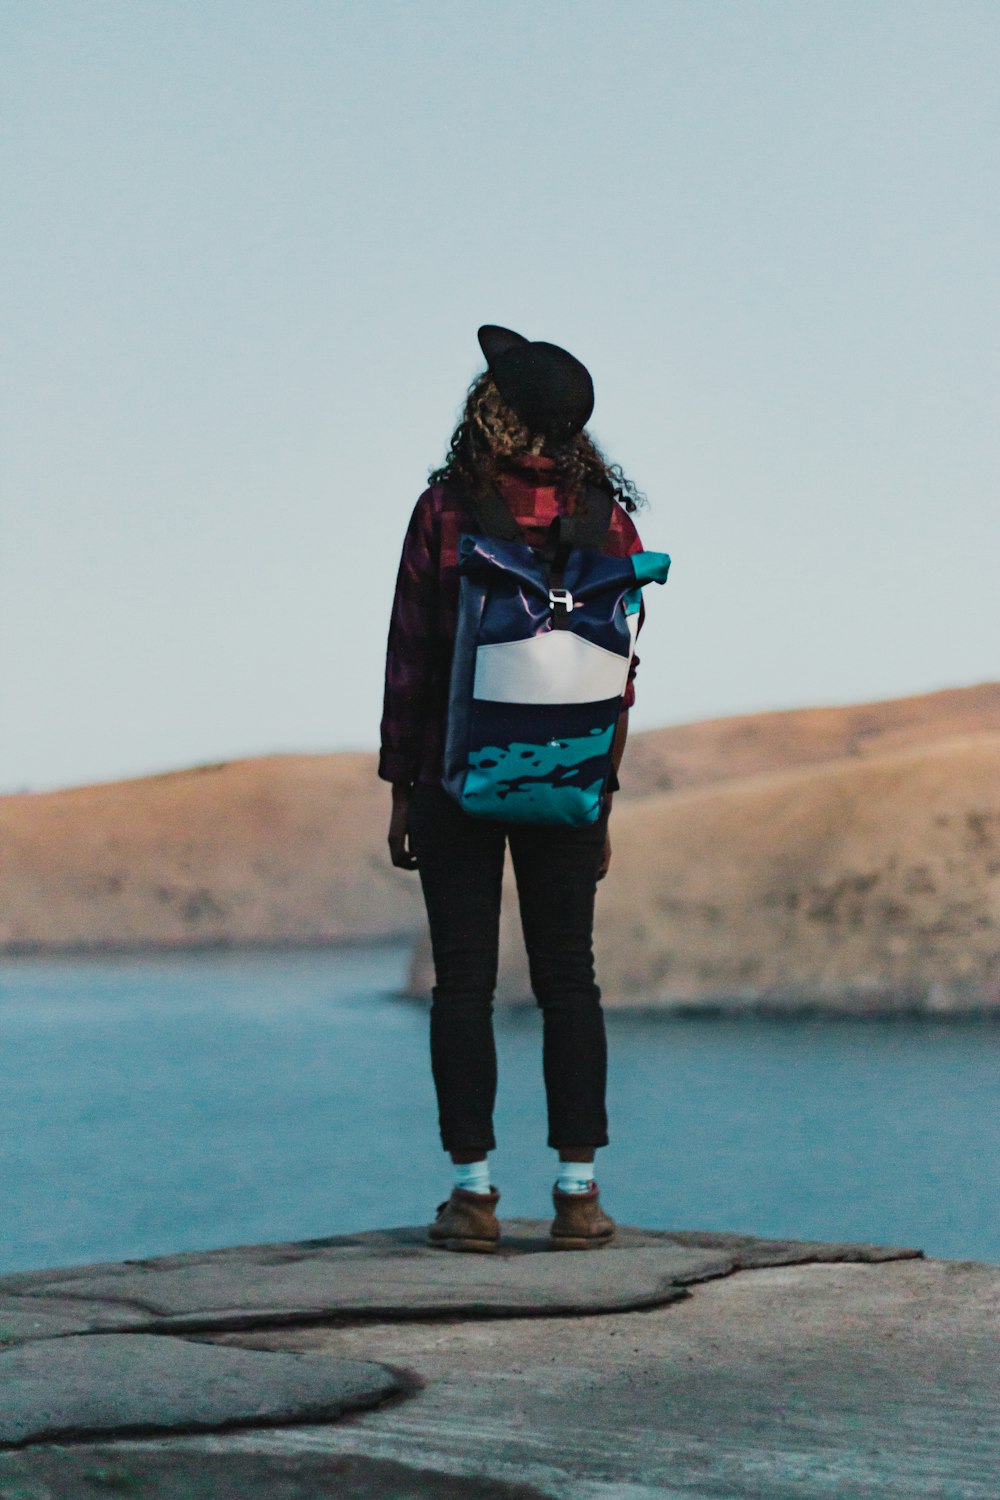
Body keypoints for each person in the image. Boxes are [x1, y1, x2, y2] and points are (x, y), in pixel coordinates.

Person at [378, 324, 649, 1252]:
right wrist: (598, 793)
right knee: (570, 980)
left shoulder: (445, 509)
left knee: (464, 986)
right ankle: (579, 1197)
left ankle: (475, 1197)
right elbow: (621, 670)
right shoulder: (610, 519)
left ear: (494, 412)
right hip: (568, 779)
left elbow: (411, 656)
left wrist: (402, 788)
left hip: (456, 779)